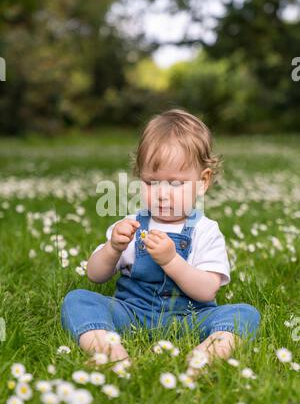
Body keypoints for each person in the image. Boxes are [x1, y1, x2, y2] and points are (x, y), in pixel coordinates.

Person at [61, 108, 260, 366]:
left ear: (202, 182)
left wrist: (170, 261)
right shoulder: (131, 225)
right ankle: (109, 352)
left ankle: (206, 355)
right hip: (132, 313)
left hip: (190, 317)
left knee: (244, 314)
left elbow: (207, 289)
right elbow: (95, 276)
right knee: (78, 299)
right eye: (151, 183)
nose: (162, 194)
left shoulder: (205, 230)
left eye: (175, 184)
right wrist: (113, 248)